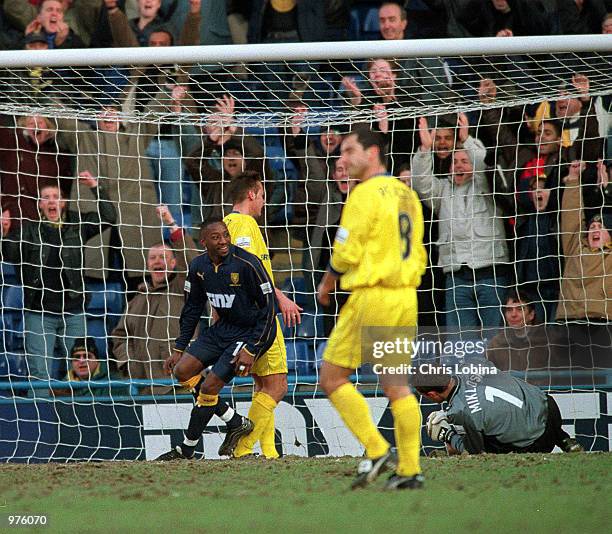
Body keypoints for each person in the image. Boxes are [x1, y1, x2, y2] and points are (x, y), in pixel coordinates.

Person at [317, 129, 427, 490]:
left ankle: (377, 447)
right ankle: (411, 471)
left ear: (374, 152)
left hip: (373, 295)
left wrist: (328, 280)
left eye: (350, 150)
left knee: (332, 377)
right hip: (406, 296)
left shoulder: (363, 194)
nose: (343, 158)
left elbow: (346, 251)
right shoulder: (407, 192)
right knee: (397, 387)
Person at [156, 218, 278, 460]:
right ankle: (234, 421)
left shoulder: (247, 264)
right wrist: (179, 347)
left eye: (225, 235)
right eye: (216, 237)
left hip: (251, 331)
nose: (223, 241)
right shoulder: (198, 266)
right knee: (182, 371)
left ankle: (187, 448)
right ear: (204, 242)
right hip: (223, 328)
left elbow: (269, 309)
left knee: (210, 386)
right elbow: (191, 308)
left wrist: (252, 348)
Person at [0, 174, 116, 383]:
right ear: (40, 205)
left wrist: (94, 186)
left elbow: (108, 217)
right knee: (39, 375)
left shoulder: (77, 224)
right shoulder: (28, 231)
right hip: (39, 313)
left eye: (56, 196)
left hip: (73, 312)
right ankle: (42, 414)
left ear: (63, 202)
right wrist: (4, 232)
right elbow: (7, 253)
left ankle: (81, 413)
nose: (51, 200)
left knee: (81, 372)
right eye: (46, 197)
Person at [223, 172, 302, 458]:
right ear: (252, 194)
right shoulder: (244, 224)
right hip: (260, 316)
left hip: (243, 317)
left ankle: (268, 452)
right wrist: (281, 300)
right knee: (279, 385)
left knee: (263, 385)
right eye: (263, 197)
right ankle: (242, 447)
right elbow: (248, 272)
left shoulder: (226, 225)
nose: (264, 204)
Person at [411, 117, 509, 338]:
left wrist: (467, 140)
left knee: (494, 341)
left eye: (465, 160)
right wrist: (426, 150)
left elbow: (483, 162)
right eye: (455, 162)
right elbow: (421, 183)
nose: (459, 165)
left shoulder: (486, 186)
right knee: (460, 344)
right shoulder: (442, 191)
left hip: (491, 274)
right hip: (456, 277)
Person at [111, 205, 199, 396]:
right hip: (146, 389)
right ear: (148, 264)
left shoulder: (183, 288)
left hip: (182, 386)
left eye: (163, 257)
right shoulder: (136, 300)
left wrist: (171, 224)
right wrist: (129, 364)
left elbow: (194, 263)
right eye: (153, 258)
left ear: (174, 263)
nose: (157, 261)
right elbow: (120, 336)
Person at [413, 362, 584, 455]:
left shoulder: (460, 412)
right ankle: (563, 438)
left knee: (475, 440)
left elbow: (475, 453)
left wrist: (448, 435)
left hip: (536, 443)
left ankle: (448, 447)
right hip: (550, 409)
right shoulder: (473, 364)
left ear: (433, 394)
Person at [54, 337, 126, 398]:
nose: (81, 360)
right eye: (77, 357)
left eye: (87, 356)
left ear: (97, 360)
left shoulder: (115, 383)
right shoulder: (61, 387)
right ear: (71, 363)